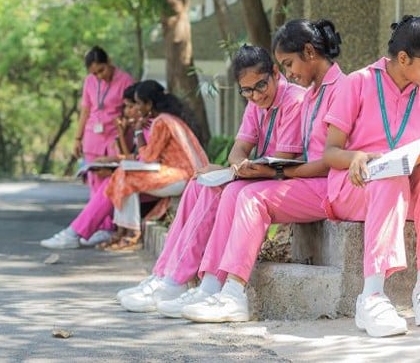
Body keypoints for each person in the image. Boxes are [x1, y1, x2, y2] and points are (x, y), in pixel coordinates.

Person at [179, 19, 346, 322]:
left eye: (288, 64)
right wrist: (271, 171)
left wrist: (278, 173)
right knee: (233, 191)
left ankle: (233, 295)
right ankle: (212, 284)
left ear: (309, 52)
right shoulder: (311, 93)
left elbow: (331, 159)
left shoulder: (341, 88)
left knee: (252, 198)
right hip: (307, 180)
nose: (289, 74)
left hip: (329, 184)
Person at [117, 45, 306, 312]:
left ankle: (194, 282)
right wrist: (237, 166)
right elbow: (238, 149)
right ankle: (165, 274)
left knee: (219, 190)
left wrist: (242, 172)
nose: (255, 95)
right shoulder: (256, 102)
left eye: (260, 86)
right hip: (262, 173)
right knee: (199, 184)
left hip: (287, 176)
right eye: (247, 90)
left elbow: (284, 157)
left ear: (275, 72)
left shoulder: (294, 99)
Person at [321, 15, 420, 338]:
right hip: (355, 185)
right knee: (388, 176)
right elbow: (330, 152)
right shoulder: (357, 83)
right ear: (402, 59)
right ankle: (371, 296)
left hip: (405, 188)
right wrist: (357, 157)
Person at [41, 46, 133, 249]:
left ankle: (106, 228)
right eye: (95, 73)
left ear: (108, 61)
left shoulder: (125, 79)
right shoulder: (90, 82)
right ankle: (95, 228)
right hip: (93, 136)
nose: (99, 76)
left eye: (101, 70)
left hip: (114, 137)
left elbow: (130, 109)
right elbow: (85, 110)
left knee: (109, 182)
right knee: (94, 184)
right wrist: (77, 138)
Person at [103, 80, 209, 250]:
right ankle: (124, 231)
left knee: (126, 177)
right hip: (179, 174)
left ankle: (130, 233)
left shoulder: (161, 121)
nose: (137, 108)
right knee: (124, 174)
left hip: (180, 176)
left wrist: (138, 132)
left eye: (138, 103)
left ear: (149, 104)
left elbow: (149, 157)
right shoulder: (169, 118)